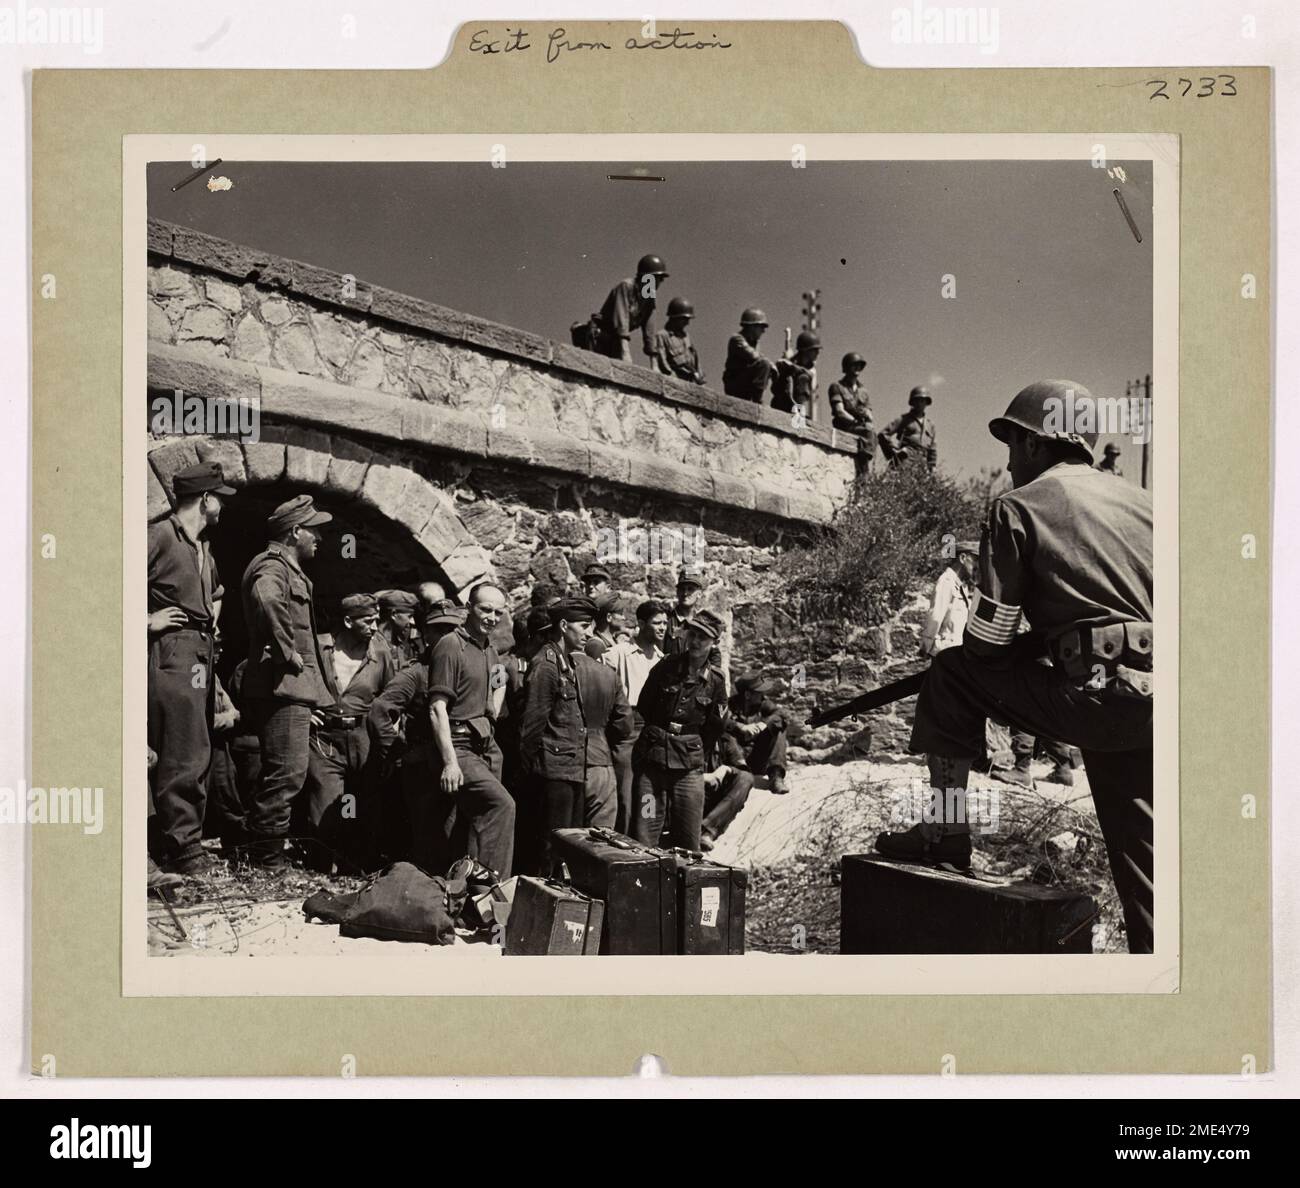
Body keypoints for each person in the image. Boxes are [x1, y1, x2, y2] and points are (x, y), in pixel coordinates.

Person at [874, 380, 1155, 953]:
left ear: (1034, 444)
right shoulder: (1145, 503)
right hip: (1165, 699)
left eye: (1011, 444)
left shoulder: (1018, 507)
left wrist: (1034, 645)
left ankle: (946, 832)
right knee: (1147, 868)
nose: (1006, 461)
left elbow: (987, 641)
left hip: (1095, 700)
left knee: (951, 671)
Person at [239, 495, 337, 868]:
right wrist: (286, 651)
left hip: (290, 688)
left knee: (284, 772)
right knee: (287, 773)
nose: (319, 538)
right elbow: (266, 599)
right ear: (295, 531)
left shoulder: (287, 569)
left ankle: (264, 851)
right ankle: (266, 859)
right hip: (282, 686)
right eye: (313, 530)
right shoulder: (272, 567)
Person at [147, 461, 234, 876]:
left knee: (198, 747)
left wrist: (212, 617)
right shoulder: (161, 535)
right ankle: (182, 850)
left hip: (201, 654)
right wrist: (147, 621)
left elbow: (215, 592)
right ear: (204, 499)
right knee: (181, 750)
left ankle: (183, 843)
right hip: (173, 654)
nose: (223, 507)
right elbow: (104, 582)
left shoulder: (203, 548)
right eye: (219, 499)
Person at [423, 582, 515, 877]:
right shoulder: (451, 644)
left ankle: (469, 895)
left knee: (474, 826)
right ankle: (491, 893)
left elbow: (498, 681)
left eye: (498, 612)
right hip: (459, 746)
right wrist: (450, 763)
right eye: (485, 609)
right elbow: (437, 709)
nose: (491, 617)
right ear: (468, 609)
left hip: (485, 746)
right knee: (502, 806)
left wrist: (495, 703)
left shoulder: (489, 648)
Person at [302, 594, 400, 871]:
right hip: (325, 740)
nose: (374, 626)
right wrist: (306, 710)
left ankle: (353, 867)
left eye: (376, 620)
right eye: (368, 621)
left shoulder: (380, 655)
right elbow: (300, 681)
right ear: (347, 621)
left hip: (363, 738)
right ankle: (318, 868)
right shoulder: (321, 649)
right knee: (324, 802)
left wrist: (390, 727)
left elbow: (391, 695)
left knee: (358, 803)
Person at [368, 603, 467, 869]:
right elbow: (379, 711)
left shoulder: (463, 665)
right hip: (424, 766)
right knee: (429, 837)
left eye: (452, 629)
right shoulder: (416, 673)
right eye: (440, 630)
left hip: (459, 759)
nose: (447, 636)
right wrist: (398, 751)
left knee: (455, 834)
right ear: (425, 634)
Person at [632, 609, 729, 851]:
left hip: (688, 770)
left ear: (714, 643)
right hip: (652, 769)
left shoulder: (716, 680)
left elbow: (715, 726)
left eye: (703, 638)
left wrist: (693, 747)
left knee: (688, 838)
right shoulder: (666, 666)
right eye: (693, 634)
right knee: (646, 831)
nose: (695, 642)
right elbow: (644, 705)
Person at [518, 598, 599, 873]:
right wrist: (532, 770)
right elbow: (532, 725)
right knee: (549, 849)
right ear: (564, 626)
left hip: (570, 770)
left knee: (566, 846)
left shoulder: (567, 664)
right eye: (584, 626)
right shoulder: (547, 664)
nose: (589, 633)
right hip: (552, 773)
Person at [604, 599, 668, 833]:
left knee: (648, 792)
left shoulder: (663, 660)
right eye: (656, 623)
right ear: (641, 623)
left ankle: (646, 841)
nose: (662, 628)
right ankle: (622, 842)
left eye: (665, 623)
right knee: (625, 791)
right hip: (628, 727)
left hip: (653, 729)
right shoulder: (619, 654)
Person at [580, 254, 669, 363]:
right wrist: (625, 353)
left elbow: (649, 329)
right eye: (659, 278)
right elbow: (622, 321)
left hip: (615, 340)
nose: (661, 282)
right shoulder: (626, 286)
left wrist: (654, 361)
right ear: (648, 277)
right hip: (600, 337)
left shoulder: (648, 296)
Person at [719, 672, 791, 795]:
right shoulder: (730, 705)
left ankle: (776, 777)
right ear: (747, 695)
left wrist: (764, 723)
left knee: (778, 728)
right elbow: (718, 720)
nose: (762, 695)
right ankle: (739, 776)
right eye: (759, 693)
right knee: (724, 733)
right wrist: (740, 727)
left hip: (756, 759)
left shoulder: (764, 704)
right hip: (735, 760)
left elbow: (783, 715)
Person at [878, 386, 938, 470]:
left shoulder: (930, 425)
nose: (920, 403)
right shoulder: (903, 419)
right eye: (917, 400)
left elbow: (932, 449)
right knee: (902, 481)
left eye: (923, 400)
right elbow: (883, 434)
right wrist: (893, 452)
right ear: (912, 402)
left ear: (926, 402)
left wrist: (932, 467)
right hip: (906, 460)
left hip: (923, 464)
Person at [722, 308, 775, 403]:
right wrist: (771, 364)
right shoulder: (737, 339)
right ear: (752, 327)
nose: (763, 331)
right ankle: (757, 400)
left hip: (745, 384)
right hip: (735, 385)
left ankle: (757, 399)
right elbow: (753, 355)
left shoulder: (755, 343)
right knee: (764, 364)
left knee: (767, 366)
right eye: (761, 327)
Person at [650, 297, 705, 384]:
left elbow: (695, 358)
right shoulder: (662, 336)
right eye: (685, 319)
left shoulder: (686, 337)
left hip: (691, 381)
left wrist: (699, 376)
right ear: (675, 318)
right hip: (674, 380)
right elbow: (663, 362)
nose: (687, 323)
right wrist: (672, 379)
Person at [828, 352, 875, 454]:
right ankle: (864, 467)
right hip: (845, 426)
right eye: (854, 365)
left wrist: (867, 417)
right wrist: (855, 421)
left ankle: (866, 461)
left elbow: (870, 415)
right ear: (847, 367)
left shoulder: (863, 391)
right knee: (868, 432)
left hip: (860, 426)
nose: (857, 368)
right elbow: (839, 411)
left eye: (859, 365)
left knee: (871, 433)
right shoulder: (837, 386)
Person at [770, 330, 821, 423]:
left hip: (795, 403)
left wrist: (793, 367)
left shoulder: (811, 368)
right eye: (815, 350)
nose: (818, 353)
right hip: (781, 401)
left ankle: (799, 410)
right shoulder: (791, 360)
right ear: (806, 350)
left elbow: (809, 374)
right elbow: (778, 368)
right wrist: (785, 364)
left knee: (803, 378)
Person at [375, 589, 420, 668]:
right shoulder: (376, 644)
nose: (413, 622)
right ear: (394, 614)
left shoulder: (399, 640)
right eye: (409, 616)